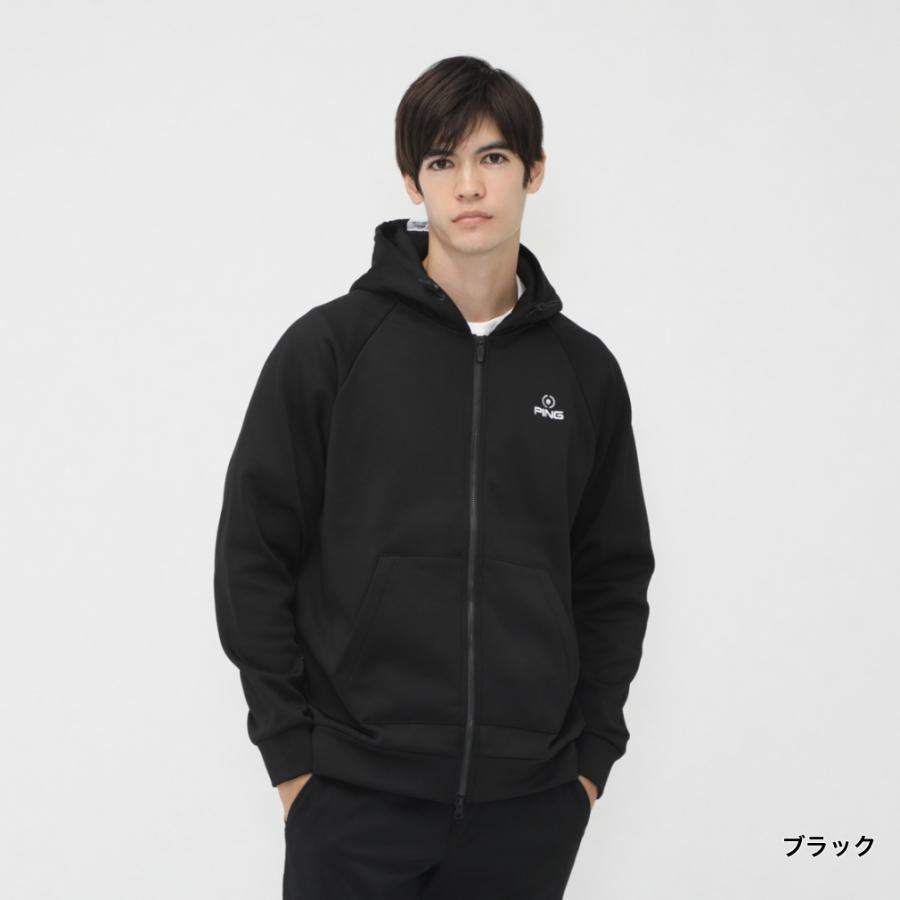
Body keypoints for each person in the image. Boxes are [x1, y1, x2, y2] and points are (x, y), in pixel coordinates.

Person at [214, 54, 656, 900]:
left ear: (533, 171)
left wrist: (589, 763)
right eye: (443, 161)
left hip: (529, 810)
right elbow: (252, 557)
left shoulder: (583, 373)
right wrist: (293, 762)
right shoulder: (330, 351)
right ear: (413, 182)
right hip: (352, 798)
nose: (469, 186)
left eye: (493, 157)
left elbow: (613, 575)